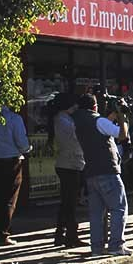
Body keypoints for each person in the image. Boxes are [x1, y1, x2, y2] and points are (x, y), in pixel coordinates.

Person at [72, 93, 132, 256]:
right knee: (119, 208)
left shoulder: (80, 121)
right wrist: (123, 117)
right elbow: (122, 135)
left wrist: (113, 114)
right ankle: (116, 246)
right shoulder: (99, 121)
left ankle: (96, 248)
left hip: (91, 172)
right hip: (108, 171)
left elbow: (102, 127)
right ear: (95, 107)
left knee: (96, 214)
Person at [0, 106, 32, 246]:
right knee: (9, 198)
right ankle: (2, 233)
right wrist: (27, 149)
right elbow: (21, 142)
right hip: (11, 160)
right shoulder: (14, 118)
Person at [52, 93, 87, 248]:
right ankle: (71, 235)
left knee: (67, 202)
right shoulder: (64, 121)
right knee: (70, 202)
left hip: (67, 163)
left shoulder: (62, 120)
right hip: (70, 164)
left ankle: (60, 233)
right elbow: (74, 141)